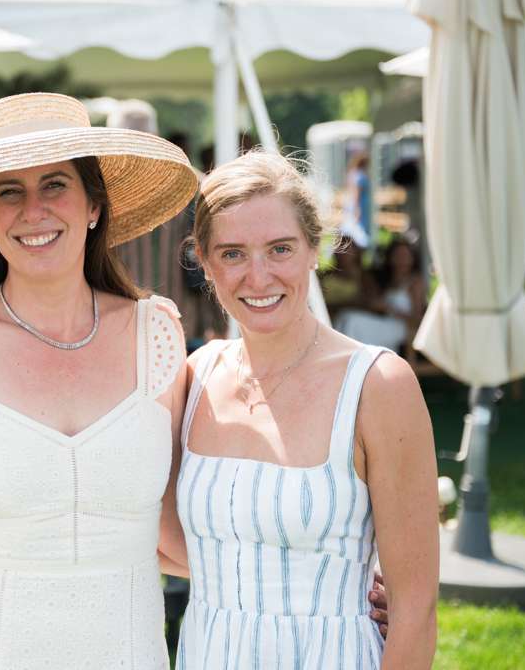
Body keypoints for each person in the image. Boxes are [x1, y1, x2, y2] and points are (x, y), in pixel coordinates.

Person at [0, 92, 200, 669]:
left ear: (94, 204)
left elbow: (172, 533)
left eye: (55, 184)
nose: (34, 210)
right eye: (9, 191)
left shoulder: (156, 334)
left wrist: (333, 575)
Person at [173, 151, 438, 668]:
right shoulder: (194, 377)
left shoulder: (378, 385)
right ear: (204, 261)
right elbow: (165, 538)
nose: (258, 277)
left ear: (314, 249)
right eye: (232, 253)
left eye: (280, 249)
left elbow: (415, 611)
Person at [335, 236, 427, 360]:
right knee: (345, 315)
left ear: (412, 258)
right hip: (384, 322)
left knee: (352, 321)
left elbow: (417, 319)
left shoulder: (415, 282)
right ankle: (338, 356)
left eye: (405, 255)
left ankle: (349, 359)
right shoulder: (388, 281)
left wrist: (390, 309)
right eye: (397, 255)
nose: (401, 259)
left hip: (401, 329)